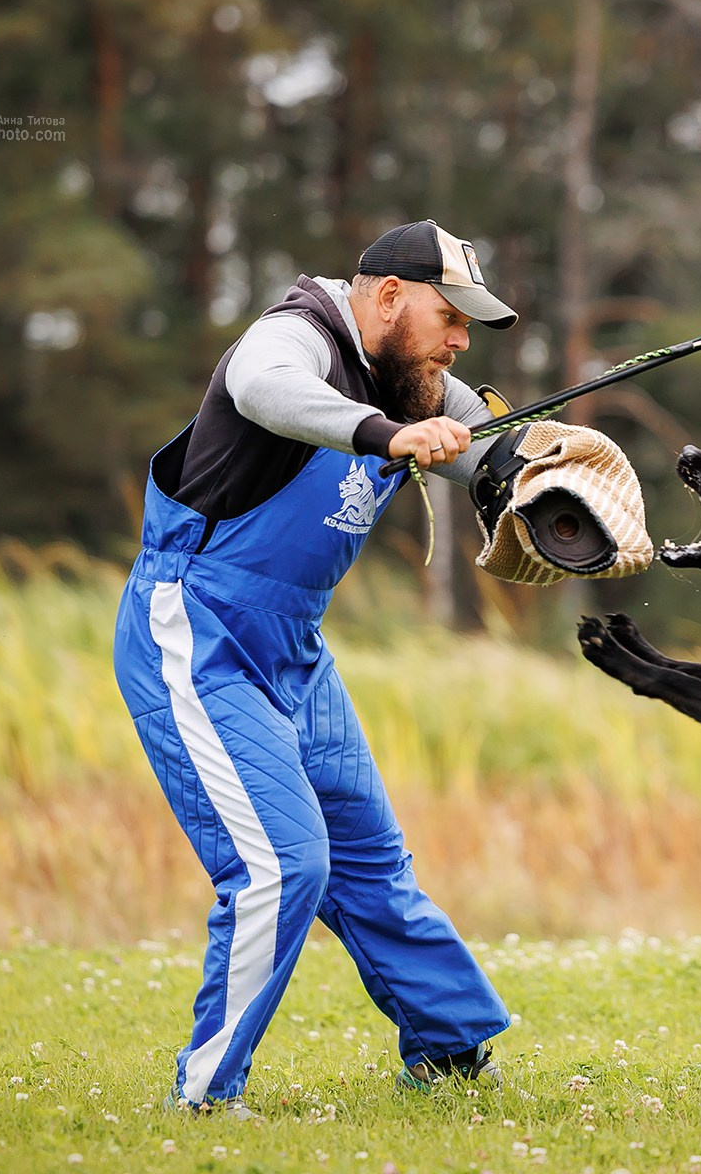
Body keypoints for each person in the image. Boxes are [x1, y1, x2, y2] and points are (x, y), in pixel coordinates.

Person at [113, 220, 521, 1118]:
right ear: (386, 296)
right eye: (450, 316)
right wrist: (387, 437)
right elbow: (264, 388)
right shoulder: (296, 332)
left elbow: (492, 449)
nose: (460, 341)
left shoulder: (414, 378)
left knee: (372, 860)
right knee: (281, 866)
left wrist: (545, 472)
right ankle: (208, 1097)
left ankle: (448, 1054)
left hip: (294, 646)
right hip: (197, 629)